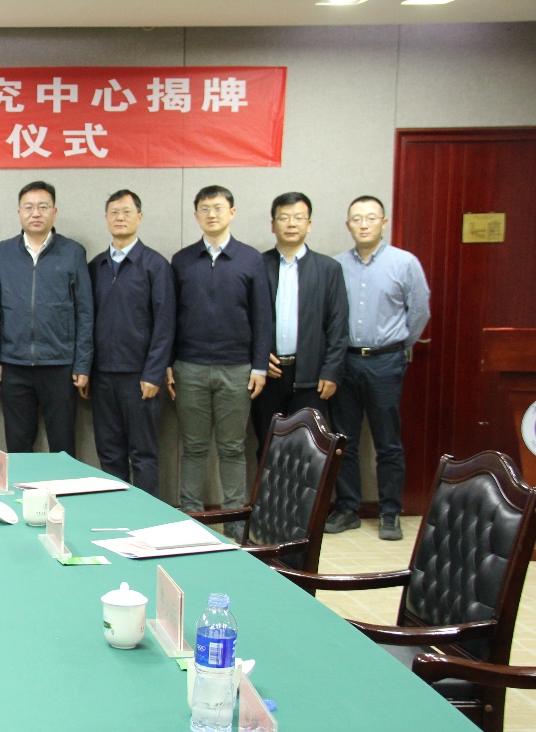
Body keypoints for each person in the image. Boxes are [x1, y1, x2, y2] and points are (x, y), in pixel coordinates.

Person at [325, 195, 431, 541]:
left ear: (384, 222)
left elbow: (419, 313)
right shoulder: (336, 265)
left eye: (371, 218)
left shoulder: (405, 263)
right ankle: (348, 508)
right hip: (345, 361)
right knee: (345, 440)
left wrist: (398, 346)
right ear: (348, 225)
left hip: (386, 361)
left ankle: (389, 511)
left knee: (387, 442)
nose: (364, 224)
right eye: (357, 218)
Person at [168, 186, 272, 527]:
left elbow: (263, 317)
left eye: (218, 208)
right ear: (196, 215)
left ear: (232, 212)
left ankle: (235, 519)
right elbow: (170, 317)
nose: (211, 214)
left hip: (237, 368)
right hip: (190, 367)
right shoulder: (182, 260)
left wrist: (259, 366)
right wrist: (168, 363)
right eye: (204, 208)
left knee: (232, 447)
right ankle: (191, 515)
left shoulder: (251, 259)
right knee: (193, 446)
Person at [0, 181, 93, 457]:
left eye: (43, 207)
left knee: (62, 444)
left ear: (54, 212)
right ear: (19, 212)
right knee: (18, 446)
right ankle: (22, 486)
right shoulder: (2, 253)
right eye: (29, 207)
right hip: (13, 364)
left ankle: (63, 486)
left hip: (59, 365)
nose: (36, 213)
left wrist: (82, 363)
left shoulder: (73, 252)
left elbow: (84, 311)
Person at [83, 190, 174, 497]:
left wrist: (154, 374)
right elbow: (86, 321)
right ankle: (114, 512)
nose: (119, 218)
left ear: (139, 217)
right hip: (102, 377)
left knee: (143, 453)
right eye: (114, 212)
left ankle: (146, 517)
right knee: (109, 452)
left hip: (140, 378)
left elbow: (165, 325)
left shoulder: (155, 265)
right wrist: (87, 370)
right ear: (106, 218)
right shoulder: (96, 266)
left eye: (126, 212)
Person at [251, 192, 349, 458]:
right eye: (284, 218)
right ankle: (268, 490)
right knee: (268, 448)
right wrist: (258, 358)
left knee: (308, 451)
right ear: (273, 225)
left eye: (298, 217)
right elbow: (245, 319)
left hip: (312, 377)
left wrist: (331, 372)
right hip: (268, 376)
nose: (291, 223)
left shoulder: (328, 269)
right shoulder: (257, 265)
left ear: (309, 224)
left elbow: (338, 326)